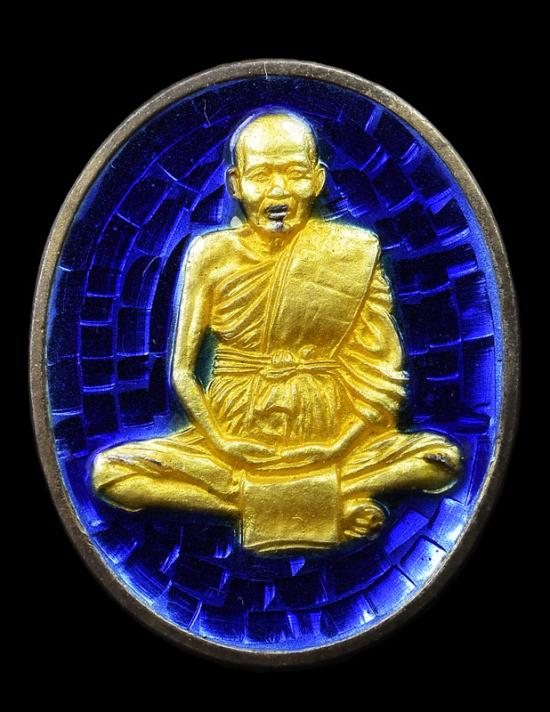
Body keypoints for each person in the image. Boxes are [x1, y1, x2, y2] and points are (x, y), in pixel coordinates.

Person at [92, 112, 460, 552]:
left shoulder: (354, 251)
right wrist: (224, 444)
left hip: (330, 434)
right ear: (236, 184)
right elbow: (182, 373)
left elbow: (383, 374)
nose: (279, 191)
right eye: (261, 175)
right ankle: (310, 502)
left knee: (441, 460)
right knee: (110, 474)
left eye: (295, 174)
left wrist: (335, 447)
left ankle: (265, 502)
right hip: (234, 435)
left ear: (318, 180)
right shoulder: (210, 254)